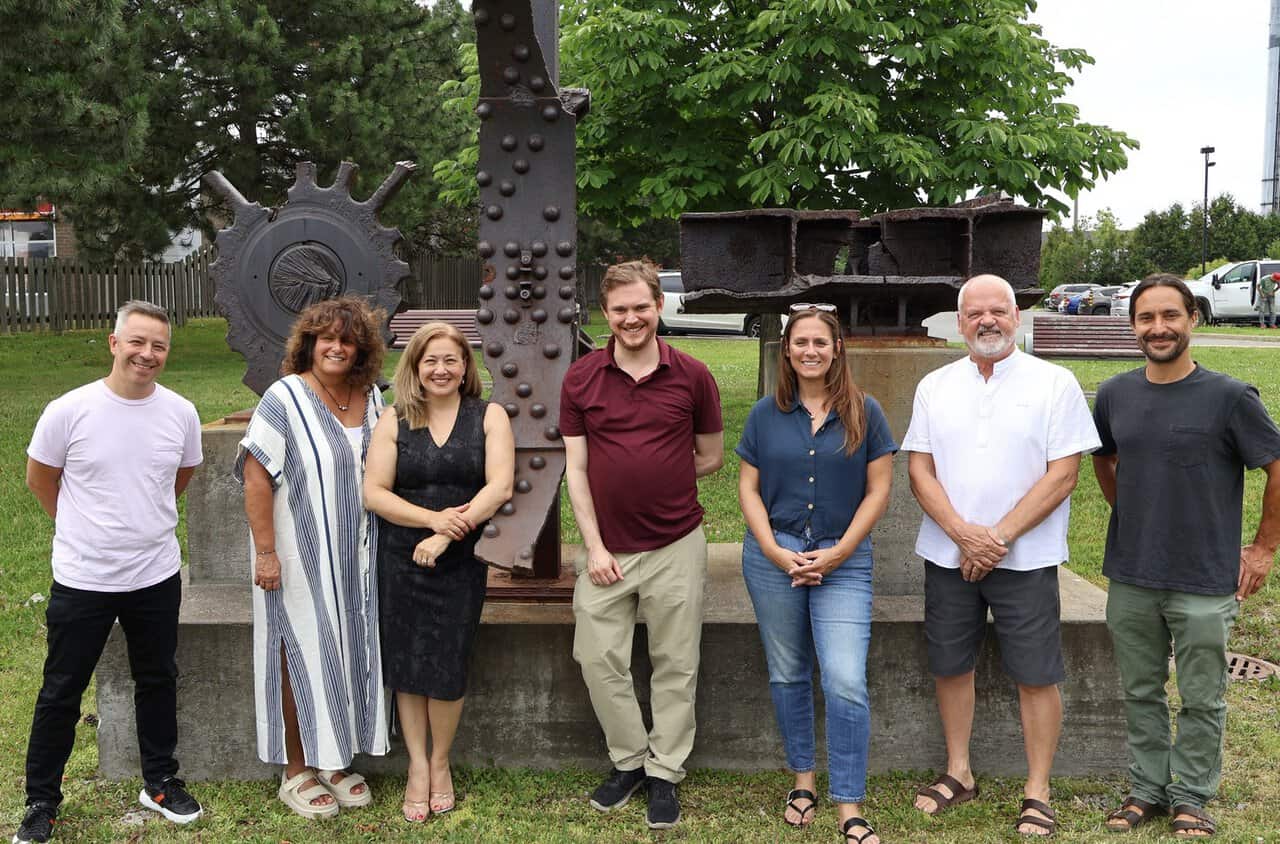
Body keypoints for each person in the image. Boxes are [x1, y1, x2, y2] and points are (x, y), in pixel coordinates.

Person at [900, 274, 1100, 838]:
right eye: (974, 313)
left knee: (1036, 672)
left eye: (998, 311)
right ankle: (959, 771)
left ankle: (1037, 789)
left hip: (1027, 557)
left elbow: (1063, 474)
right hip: (946, 554)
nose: (986, 321)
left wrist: (998, 538)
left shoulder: (1054, 383)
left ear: (1016, 316)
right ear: (959, 321)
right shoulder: (935, 385)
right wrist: (964, 534)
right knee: (950, 664)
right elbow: (920, 468)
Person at [1093, 274, 1280, 838]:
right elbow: (1104, 459)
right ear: (1133, 326)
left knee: (1202, 695)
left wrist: (1263, 547)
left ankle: (1191, 796)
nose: (1159, 328)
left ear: (1192, 319)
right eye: (1146, 318)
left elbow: (1276, 466)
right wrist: (1130, 510)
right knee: (1141, 689)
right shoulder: (1114, 393)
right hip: (1131, 574)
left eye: (1170, 316)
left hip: (1204, 577)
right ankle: (1147, 789)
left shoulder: (1230, 398)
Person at [16, 300, 204, 844]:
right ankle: (42, 801)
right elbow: (40, 478)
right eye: (138, 342)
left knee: (157, 678)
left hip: (155, 574)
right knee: (61, 690)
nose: (148, 354)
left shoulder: (181, 413)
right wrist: (82, 528)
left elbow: (181, 473)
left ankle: (160, 780)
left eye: (159, 346)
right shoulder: (68, 410)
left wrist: (140, 522)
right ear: (114, 342)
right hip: (84, 578)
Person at [560, 259, 724, 831]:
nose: (632, 318)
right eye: (620, 309)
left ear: (659, 306)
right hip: (607, 550)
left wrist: (660, 476)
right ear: (605, 314)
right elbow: (576, 470)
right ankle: (629, 760)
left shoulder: (693, 376)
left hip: (677, 542)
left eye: (641, 307)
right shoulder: (581, 378)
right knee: (596, 656)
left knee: (676, 663)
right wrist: (595, 546)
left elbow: (711, 455)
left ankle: (665, 772)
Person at [736, 305, 896, 844]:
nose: (810, 351)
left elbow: (878, 490)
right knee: (788, 673)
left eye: (820, 343)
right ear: (787, 350)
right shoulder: (764, 414)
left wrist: (840, 551)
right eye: (800, 342)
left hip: (843, 558)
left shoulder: (865, 412)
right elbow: (748, 490)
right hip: (773, 555)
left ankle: (848, 804)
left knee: (846, 679)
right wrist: (773, 551)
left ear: (836, 349)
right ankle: (803, 779)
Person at [238, 296, 389, 819]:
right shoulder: (285, 397)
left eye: (348, 340)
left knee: (344, 650)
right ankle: (296, 769)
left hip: (358, 555)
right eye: (327, 337)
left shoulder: (370, 399)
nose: (336, 347)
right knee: (297, 650)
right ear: (309, 342)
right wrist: (265, 553)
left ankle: (333, 758)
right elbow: (256, 473)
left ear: (361, 350)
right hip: (297, 553)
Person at [363, 322, 514, 822]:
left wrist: (448, 534)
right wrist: (430, 520)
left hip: (460, 560)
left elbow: (499, 488)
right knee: (407, 664)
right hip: (401, 556)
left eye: (452, 359)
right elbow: (375, 493)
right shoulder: (395, 418)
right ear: (415, 367)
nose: (441, 369)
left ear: (465, 366)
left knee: (447, 663)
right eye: (431, 360)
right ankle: (417, 767)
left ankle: (441, 761)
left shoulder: (489, 416)